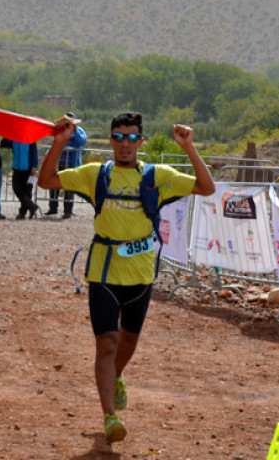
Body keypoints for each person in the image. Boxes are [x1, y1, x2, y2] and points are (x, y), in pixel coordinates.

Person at [38, 111, 215, 445]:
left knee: (128, 342)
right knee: (107, 343)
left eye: (132, 138)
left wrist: (189, 147)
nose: (124, 145)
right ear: (110, 141)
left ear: (140, 142)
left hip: (141, 276)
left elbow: (206, 187)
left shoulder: (157, 176)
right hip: (103, 274)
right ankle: (110, 418)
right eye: (118, 137)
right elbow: (47, 181)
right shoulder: (95, 174)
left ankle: (117, 375)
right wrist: (59, 142)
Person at [45, 112, 87, 219]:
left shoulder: (79, 130)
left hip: (71, 164)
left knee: (69, 187)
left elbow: (82, 141)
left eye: (70, 121)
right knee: (53, 186)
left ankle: (68, 211)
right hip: (58, 162)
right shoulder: (60, 129)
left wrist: (75, 130)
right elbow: (55, 141)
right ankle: (53, 208)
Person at [1, 138, 39, 219]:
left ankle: (22, 213)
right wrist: (7, 134)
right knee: (17, 189)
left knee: (27, 192)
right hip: (17, 169)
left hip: (28, 170)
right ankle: (32, 206)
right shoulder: (14, 138)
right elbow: (3, 143)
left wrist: (35, 167)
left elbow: (34, 153)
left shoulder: (30, 138)